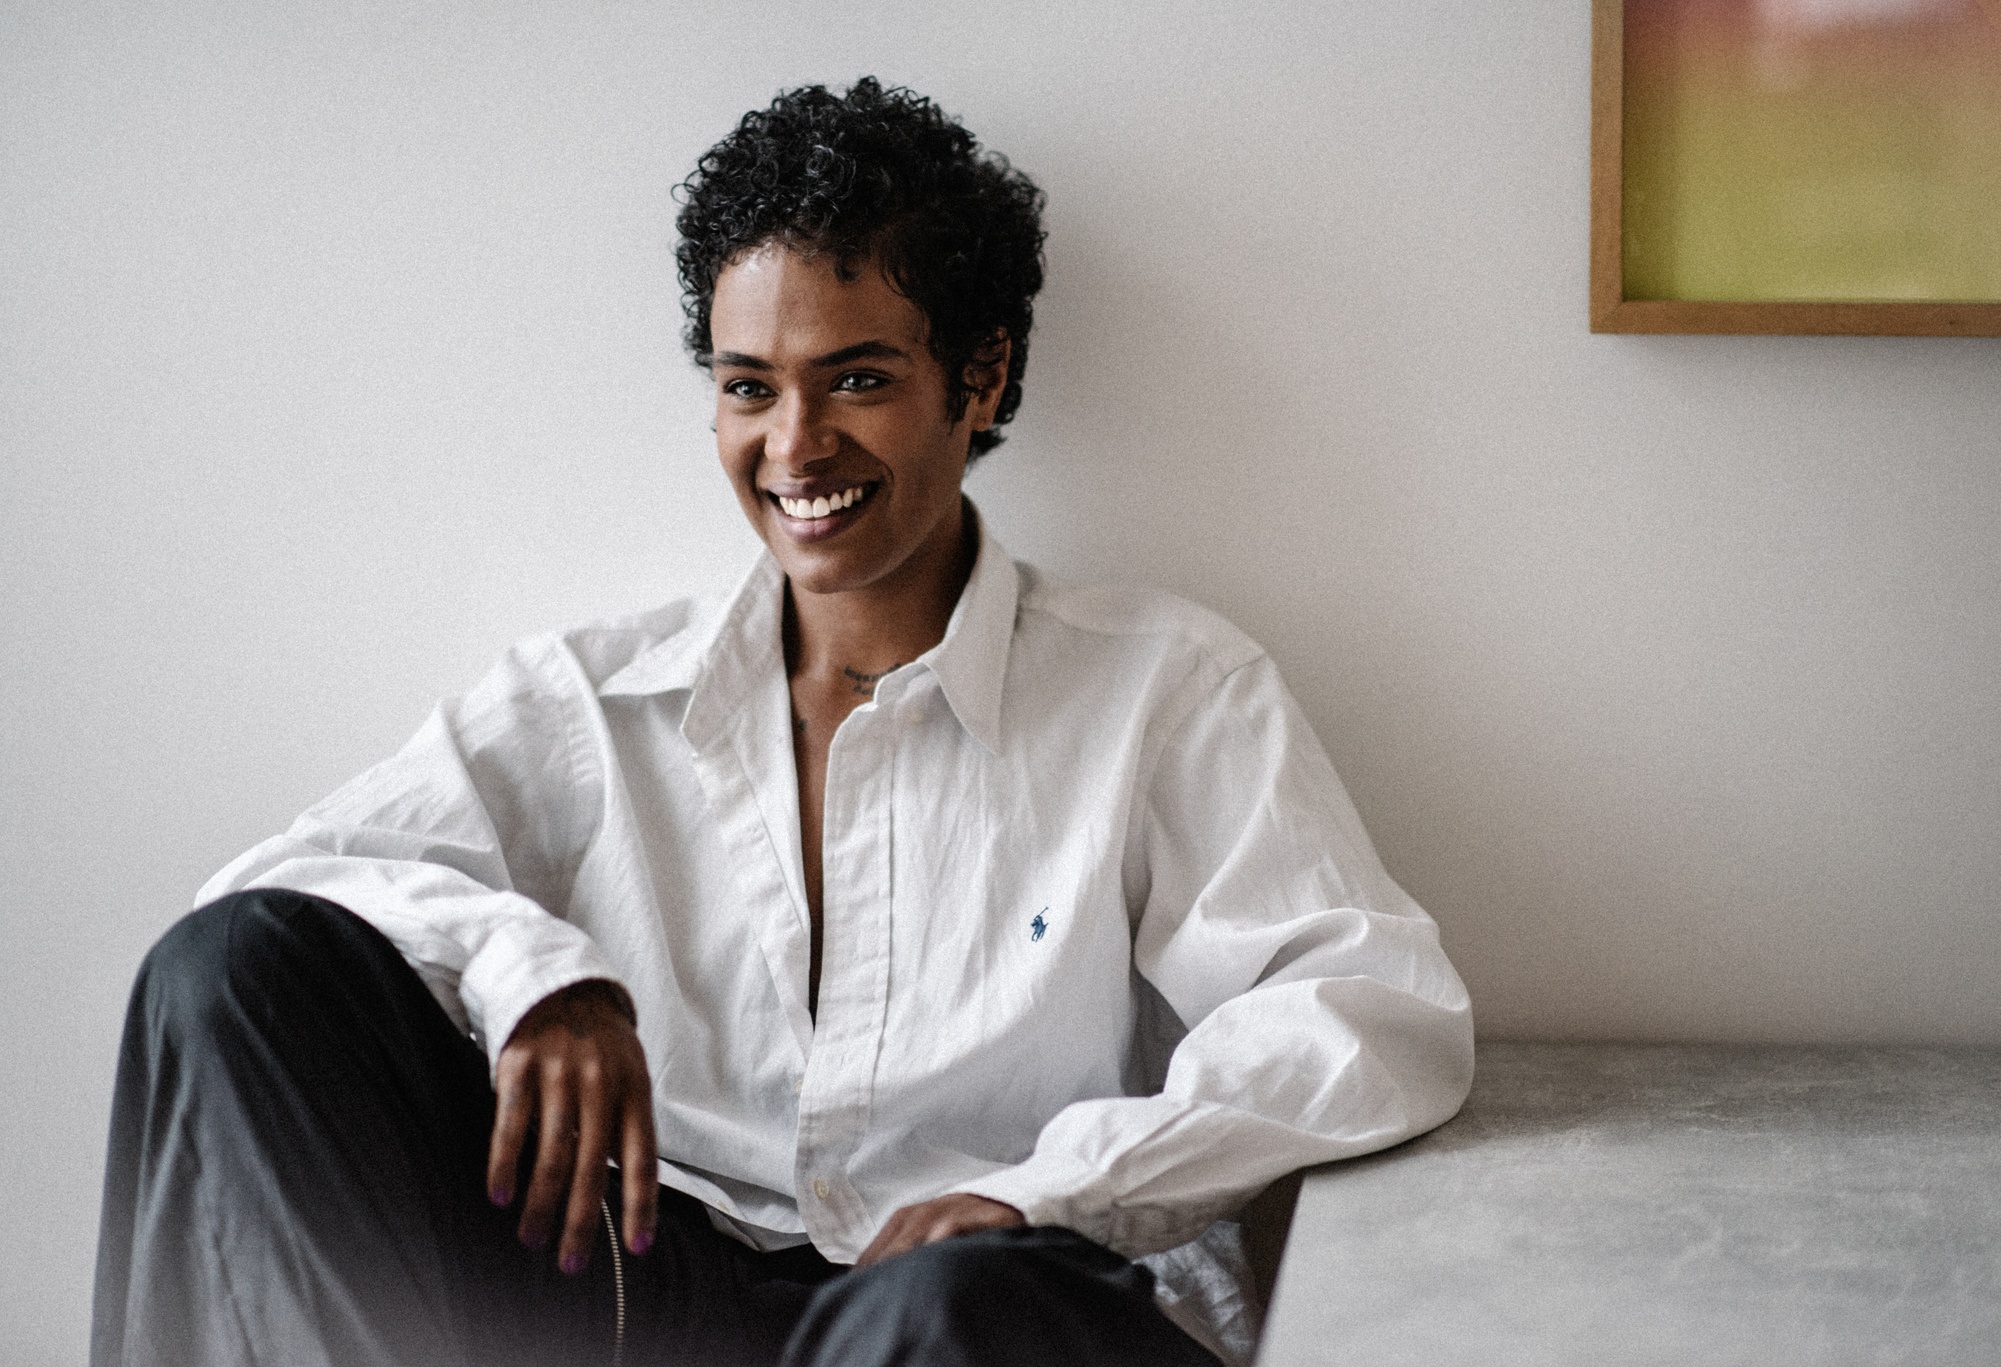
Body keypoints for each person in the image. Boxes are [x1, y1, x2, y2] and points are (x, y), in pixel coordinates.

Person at [90, 78, 1473, 1367]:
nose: (794, 445)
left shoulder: (1166, 692)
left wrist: (1042, 1194)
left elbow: (1369, 1015)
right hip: (648, 1285)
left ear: (980, 379)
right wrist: (534, 974)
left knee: (944, 1310)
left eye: (857, 379)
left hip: (967, 1314)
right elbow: (260, 898)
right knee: (233, 973)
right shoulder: (589, 704)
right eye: (750, 386)